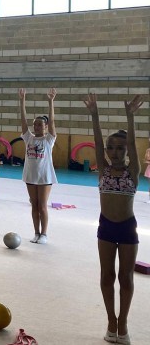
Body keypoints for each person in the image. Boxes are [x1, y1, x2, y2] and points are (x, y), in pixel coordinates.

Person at [83, 93, 144, 345]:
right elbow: (97, 141)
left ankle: (124, 322)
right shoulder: (104, 169)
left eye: (121, 148)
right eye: (112, 148)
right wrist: (95, 114)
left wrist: (130, 117)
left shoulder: (133, 171)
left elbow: (131, 145)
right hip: (106, 228)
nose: (116, 152)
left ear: (127, 151)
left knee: (126, 277)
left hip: (127, 229)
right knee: (107, 275)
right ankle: (111, 321)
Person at [18, 88, 58, 244]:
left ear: (46, 127)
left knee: (42, 206)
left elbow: (53, 122)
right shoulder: (29, 138)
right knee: (33, 205)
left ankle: (44, 234)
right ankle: (36, 232)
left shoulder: (49, 140)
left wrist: (51, 101)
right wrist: (22, 101)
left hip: (44, 176)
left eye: (40, 125)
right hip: (30, 176)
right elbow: (23, 121)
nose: (36, 127)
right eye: (35, 125)